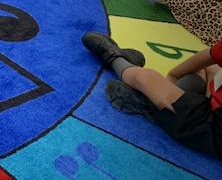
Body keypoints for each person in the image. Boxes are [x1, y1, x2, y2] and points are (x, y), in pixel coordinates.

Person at [82, 32, 221, 159]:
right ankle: (155, 103)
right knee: (207, 68)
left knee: (144, 78)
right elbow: (209, 56)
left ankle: (114, 57)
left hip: (212, 130)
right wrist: (174, 75)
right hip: (211, 107)